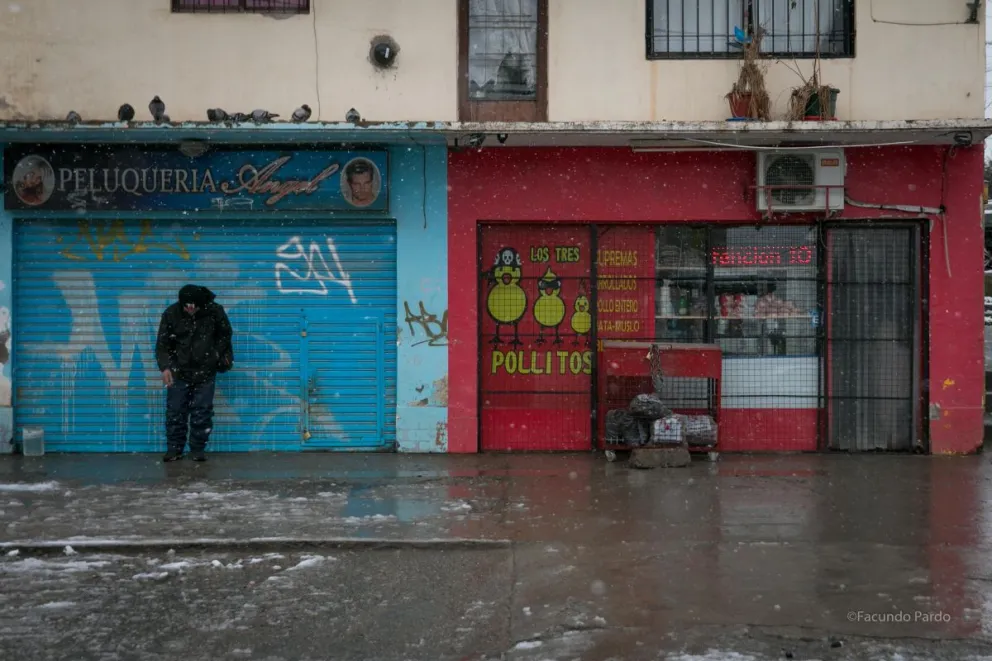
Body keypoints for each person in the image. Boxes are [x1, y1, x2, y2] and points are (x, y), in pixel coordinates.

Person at [155, 284, 233, 462]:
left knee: (202, 412)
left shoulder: (214, 311)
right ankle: (174, 449)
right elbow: (162, 345)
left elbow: (225, 335)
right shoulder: (171, 314)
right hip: (178, 371)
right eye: (186, 305)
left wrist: (214, 355)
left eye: (193, 305)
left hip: (205, 369)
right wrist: (166, 367)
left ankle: (197, 449)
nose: (190, 309)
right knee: (175, 411)